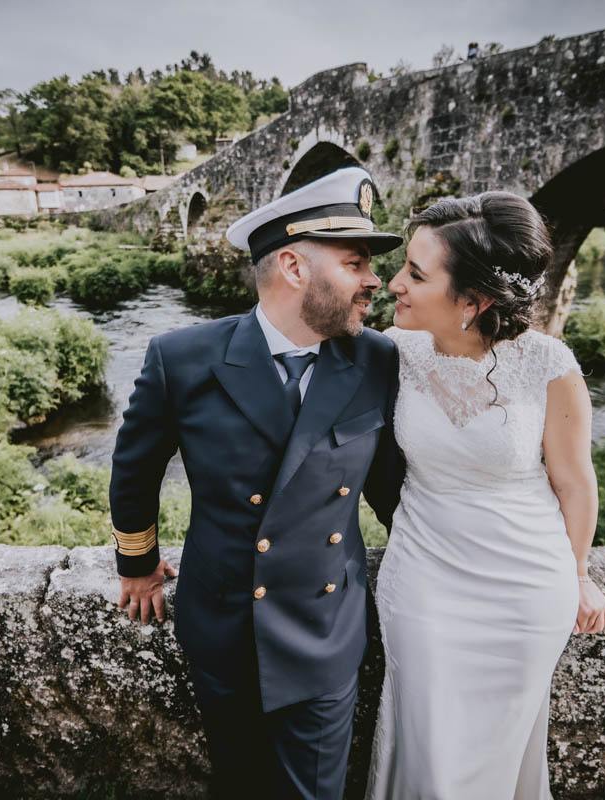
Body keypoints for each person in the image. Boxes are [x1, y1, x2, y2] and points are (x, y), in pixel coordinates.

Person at [110, 166, 407, 799]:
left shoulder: (377, 358)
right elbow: (135, 466)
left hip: (325, 624)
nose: (374, 279)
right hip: (222, 621)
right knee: (239, 781)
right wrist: (136, 562)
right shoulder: (182, 357)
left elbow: (394, 490)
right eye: (356, 263)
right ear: (296, 268)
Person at [364, 193, 605, 799]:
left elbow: (574, 482)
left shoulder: (548, 365)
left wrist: (578, 572)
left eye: (416, 275)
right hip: (424, 580)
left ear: (473, 302)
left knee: (498, 758)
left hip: (526, 593)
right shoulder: (392, 353)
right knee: (429, 748)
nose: (393, 282)